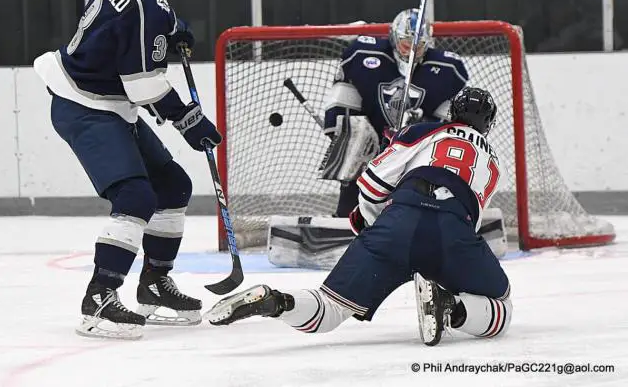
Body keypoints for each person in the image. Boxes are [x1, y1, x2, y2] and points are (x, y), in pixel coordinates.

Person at [206, 87, 511, 346]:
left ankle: (276, 302)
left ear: (453, 112)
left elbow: (372, 183)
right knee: (502, 306)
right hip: (453, 232)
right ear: (488, 124)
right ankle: (451, 308)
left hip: (398, 223)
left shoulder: (423, 131)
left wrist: (370, 221)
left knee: (327, 311)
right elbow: (468, 217)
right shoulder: (494, 163)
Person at [34, 0, 221, 339]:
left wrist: (173, 28)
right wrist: (189, 119)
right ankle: (99, 298)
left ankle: (154, 285)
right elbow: (144, 86)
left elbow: (140, 14)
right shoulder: (147, 6)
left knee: (172, 186)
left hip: (105, 102)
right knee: (135, 195)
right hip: (84, 105)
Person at [321, 9, 469, 217]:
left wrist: (423, 126)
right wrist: (346, 133)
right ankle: (348, 214)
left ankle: (437, 216)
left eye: (417, 48)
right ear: (393, 38)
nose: (410, 53)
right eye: (406, 45)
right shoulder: (363, 55)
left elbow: (452, 125)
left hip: (417, 147)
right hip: (373, 144)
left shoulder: (447, 68)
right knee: (355, 135)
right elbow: (341, 106)